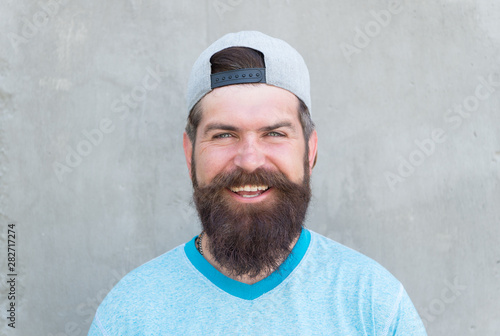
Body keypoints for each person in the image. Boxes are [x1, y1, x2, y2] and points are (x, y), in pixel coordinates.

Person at [88, 31, 427, 335]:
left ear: (310, 150)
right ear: (189, 152)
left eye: (274, 134)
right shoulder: (128, 316)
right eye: (223, 135)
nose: (249, 160)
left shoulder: (375, 306)